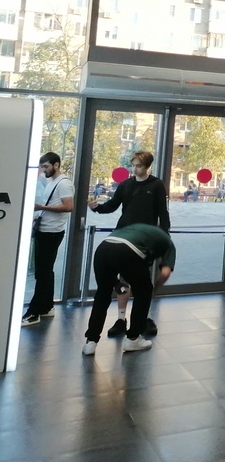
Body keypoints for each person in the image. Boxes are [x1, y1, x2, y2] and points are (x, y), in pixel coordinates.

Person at [87, 151, 169, 337]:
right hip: (123, 236)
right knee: (123, 281)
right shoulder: (125, 185)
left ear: (147, 167)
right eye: (133, 165)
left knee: (142, 284)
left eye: (139, 166)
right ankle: (121, 319)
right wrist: (97, 208)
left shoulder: (156, 185)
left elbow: (163, 213)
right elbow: (112, 205)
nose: (135, 169)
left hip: (143, 240)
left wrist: (164, 236)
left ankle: (139, 322)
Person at [82, 223, 176, 355]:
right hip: (128, 251)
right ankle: (133, 339)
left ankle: (90, 342)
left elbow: (116, 258)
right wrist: (153, 291)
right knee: (144, 291)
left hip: (103, 248)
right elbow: (165, 273)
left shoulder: (137, 229)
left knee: (102, 294)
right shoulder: (168, 244)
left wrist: (116, 283)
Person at [22, 152, 75, 326]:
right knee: (45, 271)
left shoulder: (64, 183)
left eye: (46, 166)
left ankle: (34, 312)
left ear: (56, 165)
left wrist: (41, 207)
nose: (43, 170)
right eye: (42, 167)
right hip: (46, 230)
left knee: (42, 273)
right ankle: (46, 306)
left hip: (51, 232)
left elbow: (68, 206)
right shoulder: (52, 182)